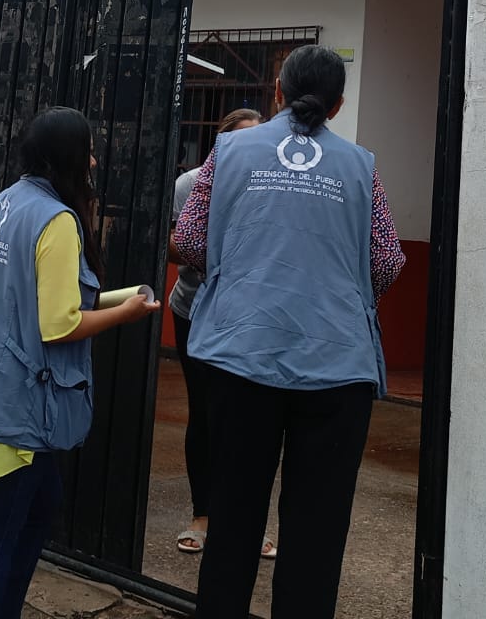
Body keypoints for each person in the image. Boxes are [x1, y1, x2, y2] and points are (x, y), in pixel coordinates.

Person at [173, 46, 405, 619]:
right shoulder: (361, 165)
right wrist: (337, 302)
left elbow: (188, 240)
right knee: (317, 531)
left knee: (232, 520)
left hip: (240, 356)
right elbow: (386, 261)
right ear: (339, 104)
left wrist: (243, 273)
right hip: (336, 366)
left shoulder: (227, 151)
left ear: (277, 91)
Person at [0, 107, 160, 619]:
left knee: (38, 506)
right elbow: (60, 325)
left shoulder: (8, 202)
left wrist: (124, 297)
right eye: (89, 150)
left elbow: (46, 297)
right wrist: (126, 316)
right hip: (17, 397)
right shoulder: (58, 219)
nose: (94, 160)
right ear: (69, 157)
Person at [168, 108, 278, 560]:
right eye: (242, 140)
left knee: (250, 420)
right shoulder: (191, 183)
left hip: (248, 316)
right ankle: (203, 515)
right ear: (223, 144)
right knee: (205, 415)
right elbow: (176, 245)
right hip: (194, 310)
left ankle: (247, 523)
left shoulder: (271, 181)